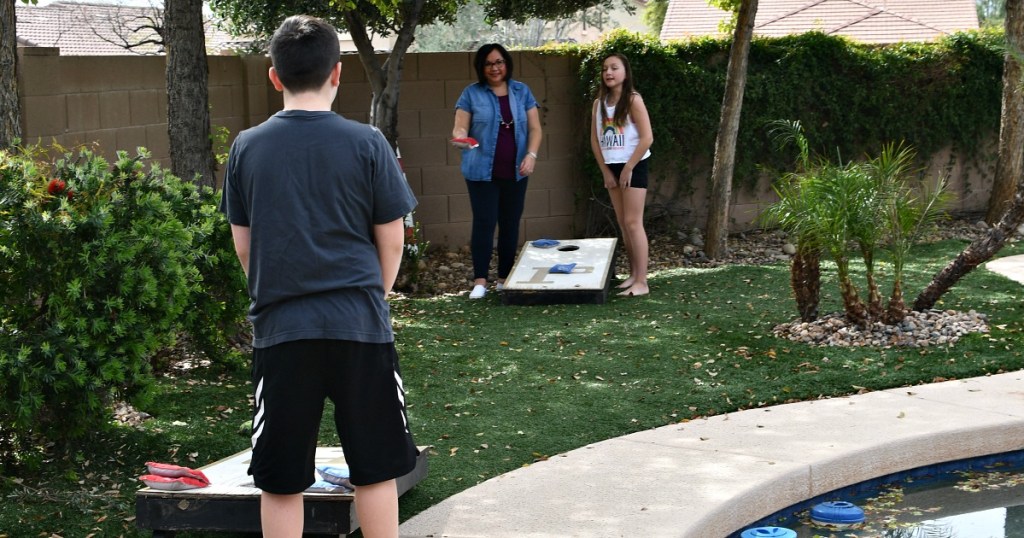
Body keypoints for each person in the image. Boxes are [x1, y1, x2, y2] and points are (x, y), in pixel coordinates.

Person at [219, 15, 419, 538]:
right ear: (338, 73)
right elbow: (392, 238)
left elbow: (246, 247)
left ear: (274, 76)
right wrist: (374, 294)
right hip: (359, 328)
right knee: (375, 470)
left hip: (284, 333)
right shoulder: (368, 142)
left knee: (281, 482)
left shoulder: (246, 147)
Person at [451, 43, 543, 300]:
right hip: (481, 172)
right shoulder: (471, 94)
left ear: (507, 64)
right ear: (481, 67)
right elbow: (460, 127)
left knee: (510, 224)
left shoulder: (521, 91)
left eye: (499, 62)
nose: (495, 67)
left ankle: (504, 278)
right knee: (484, 222)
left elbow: (535, 129)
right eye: (489, 63)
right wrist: (461, 138)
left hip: (516, 171)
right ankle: (480, 281)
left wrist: (531, 155)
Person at [590, 52, 653, 297]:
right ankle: (634, 275)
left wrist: (628, 168)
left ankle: (643, 282)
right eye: (605, 68)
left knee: (632, 222)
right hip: (612, 167)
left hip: (633, 165)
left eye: (614, 67)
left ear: (625, 73)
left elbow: (647, 138)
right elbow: (595, 140)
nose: (608, 72)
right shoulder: (599, 104)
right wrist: (606, 171)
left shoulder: (633, 100)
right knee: (624, 224)